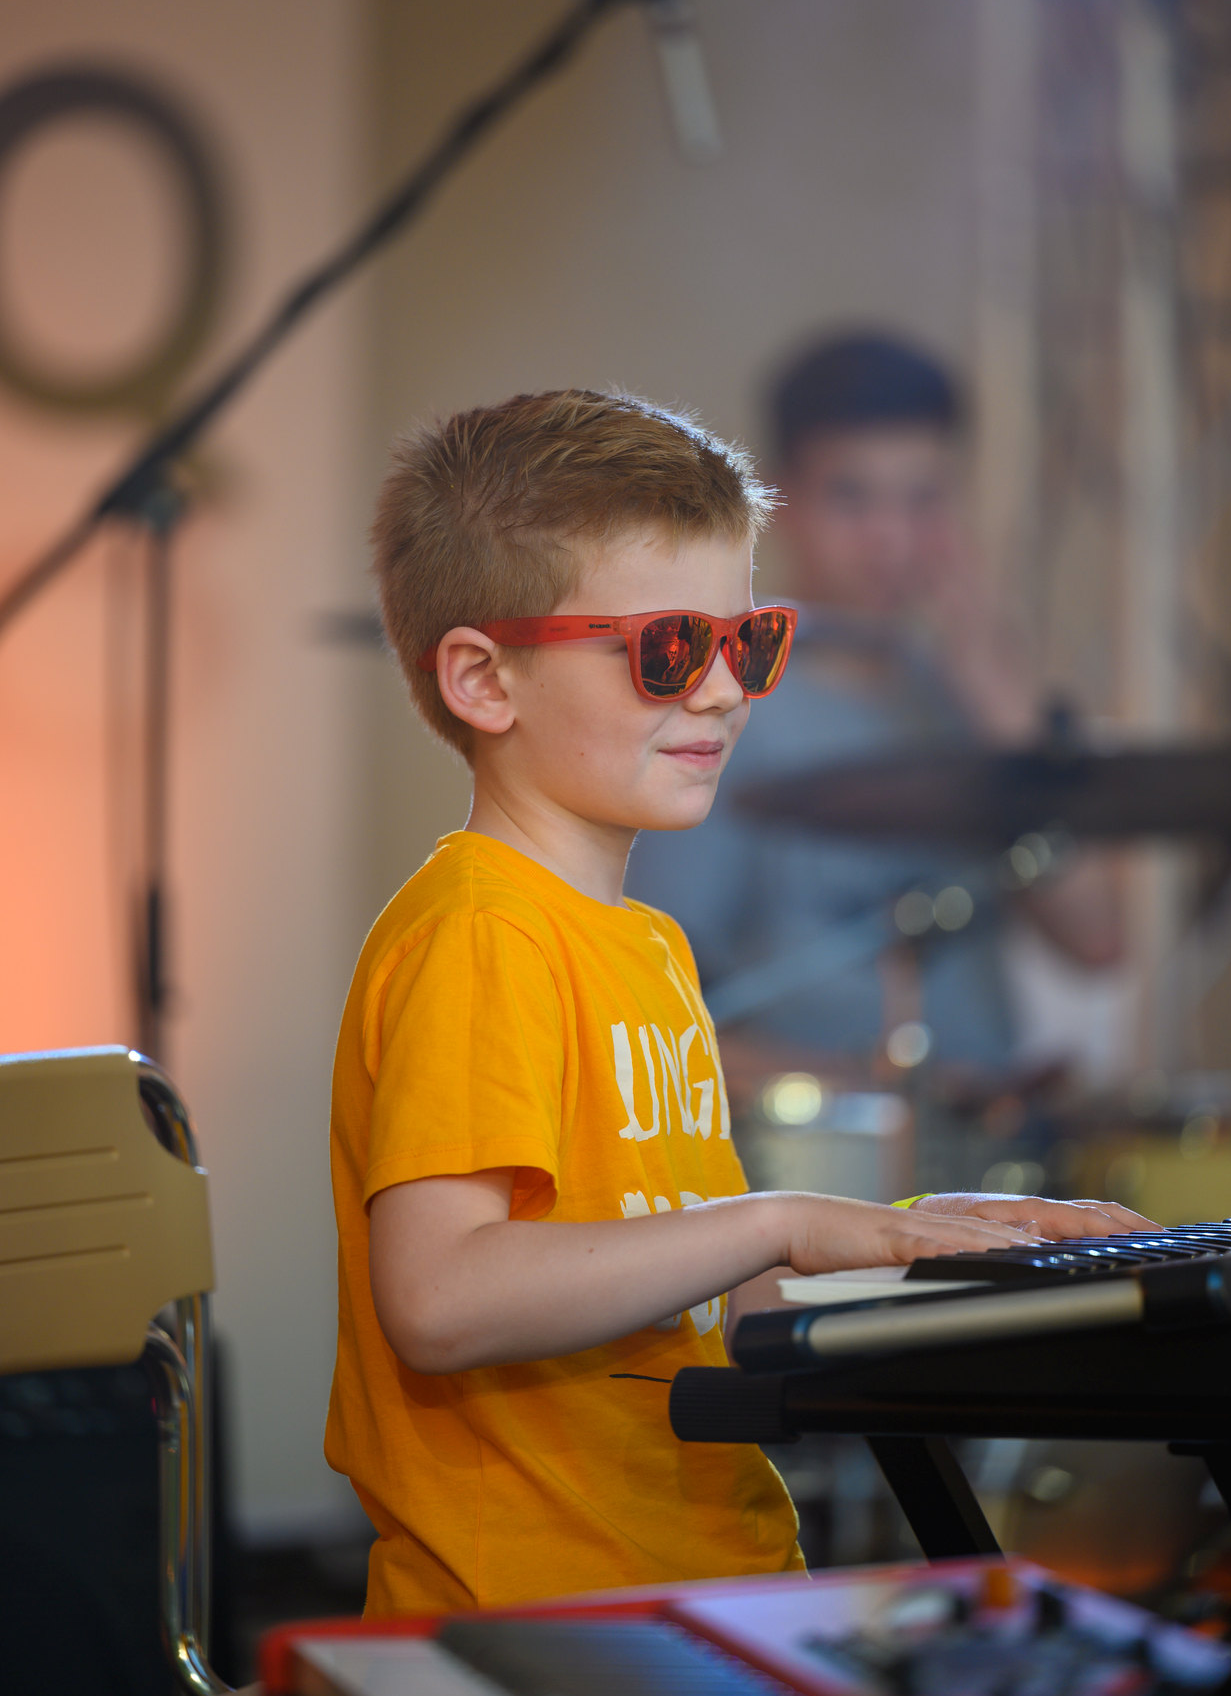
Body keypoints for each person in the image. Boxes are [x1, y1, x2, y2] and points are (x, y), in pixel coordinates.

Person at [324, 387, 1151, 1617]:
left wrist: (918, 1237)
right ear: (485, 681)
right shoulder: (482, 934)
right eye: (668, 648)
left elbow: (694, 1295)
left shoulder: (645, 948)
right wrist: (778, 1218)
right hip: (535, 1620)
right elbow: (442, 1301)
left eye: (746, 644)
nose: (721, 693)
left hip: (692, 1586)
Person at [627, 334, 1125, 1096]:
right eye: (851, 498)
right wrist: (883, 1094)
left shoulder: (966, 694)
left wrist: (1005, 714)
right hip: (814, 1147)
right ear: (777, 499)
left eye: (922, 499)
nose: (890, 538)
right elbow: (651, 1018)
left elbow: (1097, 941)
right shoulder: (720, 698)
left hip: (992, 1139)